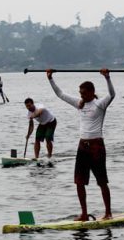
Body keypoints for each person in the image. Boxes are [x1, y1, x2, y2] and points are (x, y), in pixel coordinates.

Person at [47, 68, 115, 221]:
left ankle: (108, 213)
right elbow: (60, 94)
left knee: (102, 181)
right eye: (80, 93)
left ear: (91, 92)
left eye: (84, 93)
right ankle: (84, 214)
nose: (81, 95)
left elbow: (112, 95)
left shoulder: (100, 104)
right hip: (82, 146)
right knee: (79, 182)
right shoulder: (80, 104)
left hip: (97, 145)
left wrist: (107, 77)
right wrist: (50, 79)